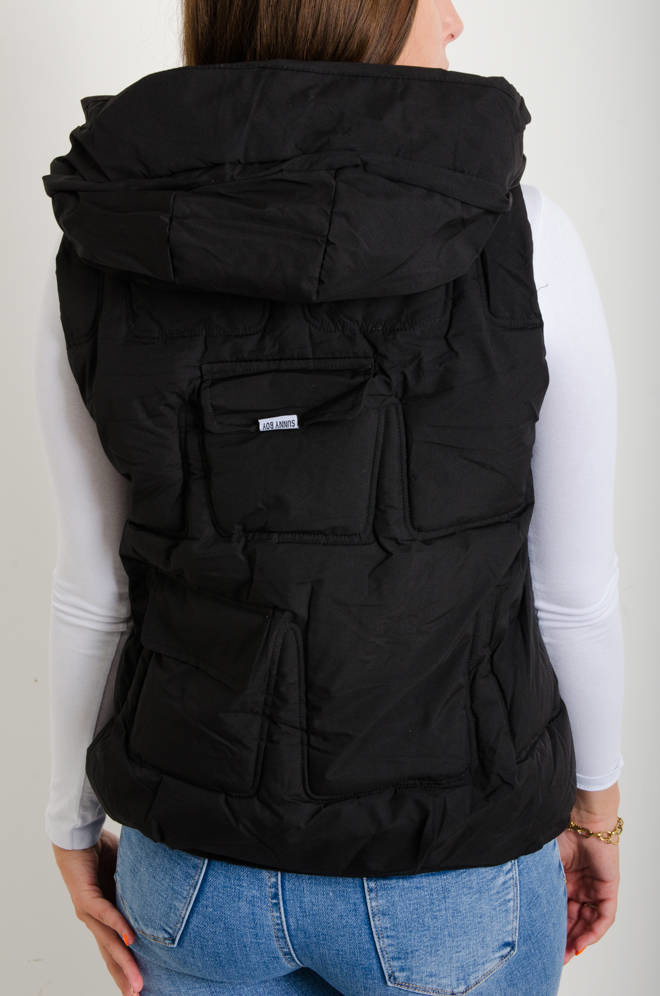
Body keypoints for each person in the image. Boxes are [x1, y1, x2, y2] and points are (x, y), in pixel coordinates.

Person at [36, 1, 624, 994]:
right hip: (454, 872)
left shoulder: (103, 241)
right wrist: (597, 816)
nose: (455, 19)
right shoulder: (530, 237)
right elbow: (572, 594)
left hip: (194, 874)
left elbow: (96, 594)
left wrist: (67, 819)